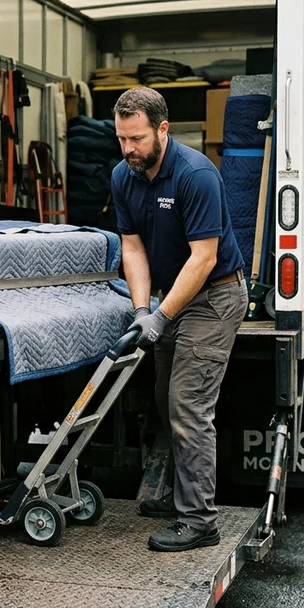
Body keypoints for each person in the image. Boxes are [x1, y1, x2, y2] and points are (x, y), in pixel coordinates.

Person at [109, 87, 248, 552]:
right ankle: (178, 496)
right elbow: (133, 247)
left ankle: (200, 521)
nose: (129, 148)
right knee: (164, 403)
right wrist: (141, 310)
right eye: (122, 138)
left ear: (163, 130)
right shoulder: (123, 176)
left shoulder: (195, 175)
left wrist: (162, 315)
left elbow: (204, 259)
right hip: (174, 297)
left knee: (188, 406)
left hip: (215, 296)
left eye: (138, 138)